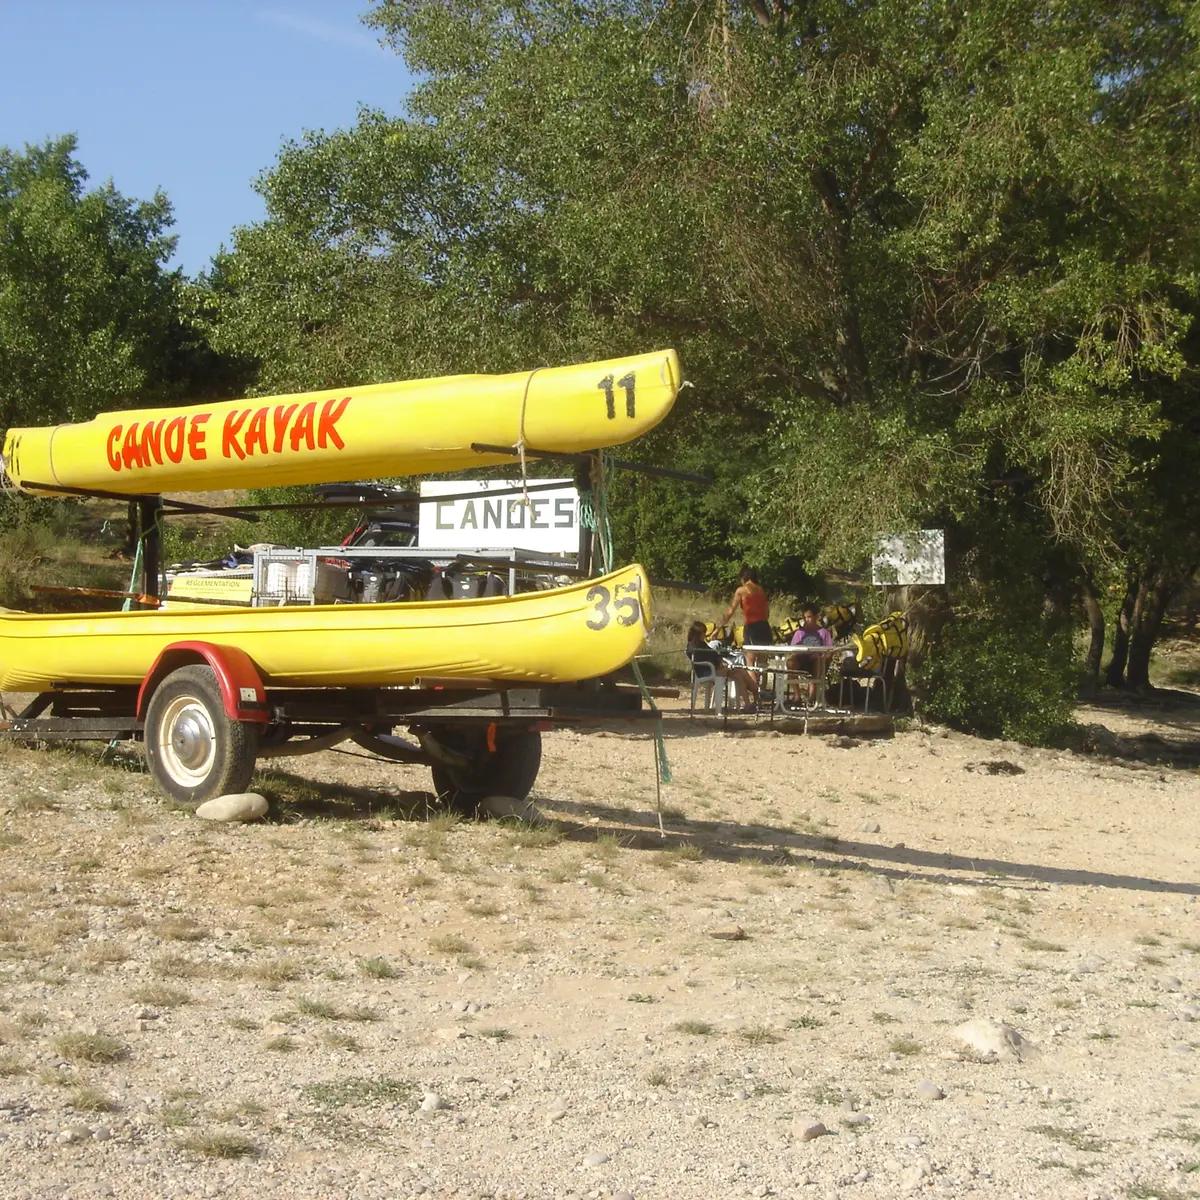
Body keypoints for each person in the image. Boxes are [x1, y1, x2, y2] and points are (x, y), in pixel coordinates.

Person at [686, 620, 759, 710]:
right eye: (703, 633)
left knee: (739, 674)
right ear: (697, 634)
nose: (705, 635)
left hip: (714, 668)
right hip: (707, 671)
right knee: (738, 671)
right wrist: (718, 661)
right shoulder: (693, 647)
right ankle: (756, 690)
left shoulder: (701, 644)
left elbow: (713, 654)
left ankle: (748, 704)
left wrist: (718, 659)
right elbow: (707, 658)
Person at [721, 565, 772, 669]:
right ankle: (762, 686)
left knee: (750, 662)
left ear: (744, 577)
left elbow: (730, 611)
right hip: (765, 627)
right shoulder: (761, 590)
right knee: (763, 664)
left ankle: (752, 685)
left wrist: (718, 627)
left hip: (752, 628)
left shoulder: (741, 591)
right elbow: (767, 613)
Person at [786, 605, 834, 704]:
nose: (806, 620)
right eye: (805, 618)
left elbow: (830, 652)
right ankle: (797, 696)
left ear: (816, 617)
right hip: (803, 659)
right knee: (790, 663)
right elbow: (793, 651)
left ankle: (812, 696)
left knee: (817, 661)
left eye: (809, 617)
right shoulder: (800, 632)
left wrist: (823, 657)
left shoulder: (824, 632)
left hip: (818, 661)